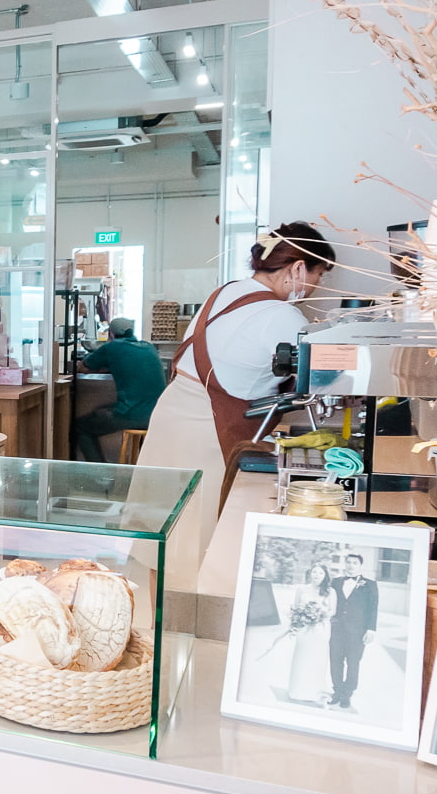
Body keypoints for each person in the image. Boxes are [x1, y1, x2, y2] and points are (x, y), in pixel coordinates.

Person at [136, 222, 336, 560]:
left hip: (171, 414)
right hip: (208, 428)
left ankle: (163, 601)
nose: (317, 285)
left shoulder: (227, 291)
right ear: (299, 268)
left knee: (161, 521)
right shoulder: (282, 315)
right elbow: (322, 378)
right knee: (196, 530)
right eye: (320, 275)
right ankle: (189, 606)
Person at [73, 317, 166, 463]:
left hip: (131, 415)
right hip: (157, 415)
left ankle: (100, 473)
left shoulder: (112, 347)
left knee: (80, 427)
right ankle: (141, 466)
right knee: (103, 410)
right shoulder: (149, 347)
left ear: (111, 334)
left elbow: (82, 368)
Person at [329, 551, 379, 710]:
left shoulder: (370, 584)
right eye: (349, 562)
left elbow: (373, 609)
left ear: (360, 565)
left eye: (354, 563)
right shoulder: (335, 582)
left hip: (357, 631)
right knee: (335, 661)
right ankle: (337, 691)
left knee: (353, 662)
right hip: (336, 629)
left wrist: (371, 629)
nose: (351, 565)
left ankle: (347, 694)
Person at [287, 563, 335, 704]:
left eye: (320, 573)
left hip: (320, 629)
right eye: (314, 572)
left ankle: (314, 691)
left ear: (325, 575)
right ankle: (298, 690)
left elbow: (333, 611)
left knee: (317, 659)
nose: (317, 575)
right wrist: (300, 618)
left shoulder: (330, 591)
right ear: (310, 573)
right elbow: (295, 608)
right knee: (302, 658)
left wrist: (320, 614)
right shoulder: (302, 589)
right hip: (304, 628)